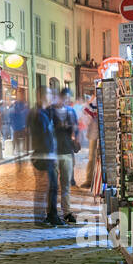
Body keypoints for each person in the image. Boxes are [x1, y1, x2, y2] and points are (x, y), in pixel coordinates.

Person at [27, 87, 61, 225]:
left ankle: (52, 215)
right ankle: (40, 219)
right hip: (42, 156)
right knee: (42, 188)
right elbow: (42, 137)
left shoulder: (45, 112)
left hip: (48, 155)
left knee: (53, 187)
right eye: (49, 93)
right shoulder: (37, 114)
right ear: (41, 96)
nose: (51, 95)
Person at [50, 88, 79, 224]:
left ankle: (67, 212)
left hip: (67, 151)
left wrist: (75, 137)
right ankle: (51, 212)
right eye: (64, 98)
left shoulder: (71, 111)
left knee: (66, 184)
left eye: (68, 98)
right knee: (53, 185)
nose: (66, 101)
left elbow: (76, 129)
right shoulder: (50, 111)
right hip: (54, 152)